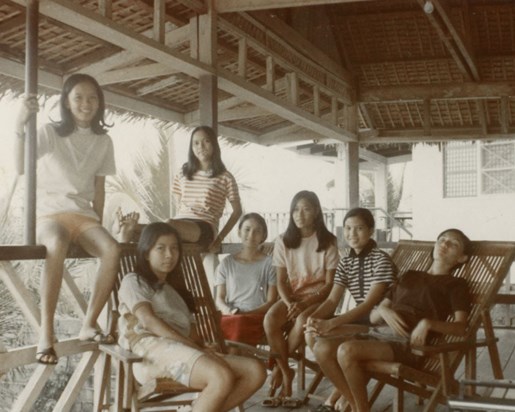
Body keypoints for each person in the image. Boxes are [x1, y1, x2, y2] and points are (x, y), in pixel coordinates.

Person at [14, 74, 120, 365]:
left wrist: (98, 226)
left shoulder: (104, 141)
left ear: (100, 103)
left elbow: (99, 190)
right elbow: (19, 166)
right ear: (67, 102)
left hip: (84, 217)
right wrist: (19, 124)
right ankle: (46, 333)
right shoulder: (50, 132)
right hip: (49, 214)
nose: (86, 104)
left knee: (112, 249)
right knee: (57, 243)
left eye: (92, 98)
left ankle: (89, 323)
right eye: (79, 98)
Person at [313, 228, 472, 412]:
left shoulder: (456, 285)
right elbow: (375, 314)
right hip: (378, 333)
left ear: (462, 258)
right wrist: (383, 309)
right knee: (321, 348)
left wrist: (427, 324)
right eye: (442, 239)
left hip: (407, 344)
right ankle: (357, 406)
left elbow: (461, 328)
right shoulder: (410, 275)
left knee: (346, 351)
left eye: (453, 244)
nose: (444, 244)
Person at [117, 222, 266, 412]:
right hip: (149, 355)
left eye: (174, 249)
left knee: (255, 371)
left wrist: (203, 346)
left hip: (184, 351)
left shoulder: (176, 291)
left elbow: (190, 329)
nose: (169, 255)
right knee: (220, 376)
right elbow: (149, 321)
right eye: (161, 249)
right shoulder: (134, 281)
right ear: (146, 252)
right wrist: (196, 348)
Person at [305, 208, 397, 412]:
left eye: (359, 229)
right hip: (360, 322)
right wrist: (314, 318)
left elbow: (367, 305)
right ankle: (352, 400)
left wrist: (331, 323)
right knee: (311, 333)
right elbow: (331, 300)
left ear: (371, 231)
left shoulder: (381, 260)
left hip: (378, 325)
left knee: (321, 340)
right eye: (348, 228)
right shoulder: (346, 260)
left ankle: (348, 401)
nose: (352, 234)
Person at [262, 190, 339, 408]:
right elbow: (281, 282)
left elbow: (330, 285)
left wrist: (304, 304)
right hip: (293, 298)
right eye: (295, 209)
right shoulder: (283, 241)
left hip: (320, 300)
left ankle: (278, 370)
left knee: (301, 320)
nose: (300, 214)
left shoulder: (328, 241)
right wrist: (289, 304)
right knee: (270, 319)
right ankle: (286, 370)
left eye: (305, 209)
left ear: (316, 211)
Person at [118, 126, 242, 253]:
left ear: (214, 144)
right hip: (180, 224)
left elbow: (237, 211)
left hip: (205, 227)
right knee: (135, 235)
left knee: (168, 225)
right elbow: (179, 203)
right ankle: (127, 239)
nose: (201, 146)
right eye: (196, 143)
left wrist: (219, 238)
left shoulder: (225, 177)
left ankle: (134, 228)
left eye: (206, 141)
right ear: (191, 147)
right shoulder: (183, 173)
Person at [215, 213, 277, 349]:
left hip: (256, 317)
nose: (251, 235)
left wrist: (246, 314)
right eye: (247, 229)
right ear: (239, 232)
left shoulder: (269, 264)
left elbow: (271, 301)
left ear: (263, 236)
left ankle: (233, 365)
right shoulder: (226, 263)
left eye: (257, 231)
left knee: (238, 328)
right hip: (231, 315)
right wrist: (227, 310)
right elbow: (219, 298)